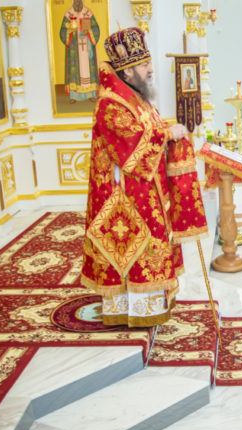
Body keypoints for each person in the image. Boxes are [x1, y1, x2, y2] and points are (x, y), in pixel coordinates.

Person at [81, 27, 197, 327]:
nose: (150, 69)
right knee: (136, 246)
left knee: (152, 243)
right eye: (143, 65)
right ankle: (132, 308)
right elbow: (131, 144)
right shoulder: (111, 103)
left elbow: (149, 127)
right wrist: (167, 134)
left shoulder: (135, 96)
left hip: (143, 188)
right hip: (123, 195)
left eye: (148, 63)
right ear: (127, 70)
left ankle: (148, 305)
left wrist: (167, 130)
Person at [59, 0, 101, 104]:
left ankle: (91, 94)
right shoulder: (69, 14)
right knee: (75, 69)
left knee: (88, 69)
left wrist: (89, 31)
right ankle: (74, 95)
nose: (77, 2)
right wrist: (69, 30)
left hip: (87, 47)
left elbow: (96, 29)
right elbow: (62, 32)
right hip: (74, 48)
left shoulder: (88, 13)